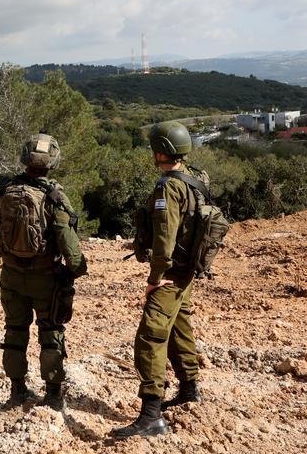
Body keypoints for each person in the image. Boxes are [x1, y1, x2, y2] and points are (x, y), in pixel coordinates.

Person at [0, 133, 87, 410]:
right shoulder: (55, 197)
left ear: (25, 157)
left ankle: (17, 390)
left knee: (15, 331)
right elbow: (69, 246)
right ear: (53, 161)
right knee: (51, 334)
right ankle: (52, 394)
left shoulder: (6, 187)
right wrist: (76, 270)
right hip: (45, 279)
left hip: (11, 276)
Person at [113, 120, 205, 439]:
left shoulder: (169, 187)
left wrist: (155, 278)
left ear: (161, 151)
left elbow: (165, 237)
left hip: (170, 273)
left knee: (150, 338)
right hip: (186, 270)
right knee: (179, 328)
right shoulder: (194, 178)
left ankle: (151, 416)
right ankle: (190, 390)